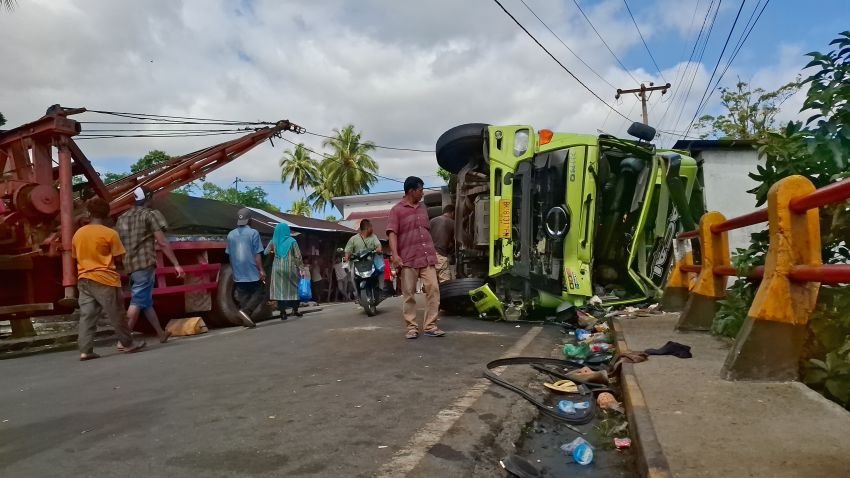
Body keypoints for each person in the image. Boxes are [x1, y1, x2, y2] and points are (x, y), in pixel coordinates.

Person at [72, 198, 146, 361]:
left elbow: (75, 256)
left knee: (87, 315)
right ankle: (128, 344)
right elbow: (119, 258)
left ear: (89, 214)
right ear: (106, 215)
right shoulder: (110, 233)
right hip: (105, 279)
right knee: (116, 314)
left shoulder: (78, 233)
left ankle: (85, 351)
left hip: (84, 279)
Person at [115, 186, 184, 345]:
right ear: (148, 198)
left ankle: (160, 333)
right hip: (144, 264)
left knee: (145, 301)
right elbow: (162, 242)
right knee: (138, 301)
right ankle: (123, 341)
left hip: (130, 264)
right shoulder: (149, 215)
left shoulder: (122, 218)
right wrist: (176, 264)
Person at [387, 176, 445, 339]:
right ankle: (411, 327)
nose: (423, 193)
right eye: (420, 190)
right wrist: (395, 255)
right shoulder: (397, 210)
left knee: (433, 289)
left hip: (427, 257)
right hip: (408, 259)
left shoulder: (422, 208)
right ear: (411, 191)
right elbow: (392, 233)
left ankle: (430, 326)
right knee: (409, 294)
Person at [225, 208, 266, 328]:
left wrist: (234, 269)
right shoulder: (253, 233)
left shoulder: (231, 234)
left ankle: (246, 319)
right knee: (260, 291)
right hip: (251, 270)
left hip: (238, 270)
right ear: (250, 220)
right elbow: (257, 254)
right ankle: (246, 312)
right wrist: (261, 270)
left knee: (244, 294)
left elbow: (230, 254)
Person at [265, 223, 303, 319]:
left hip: (277, 268)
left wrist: (272, 250)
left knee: (280, 290)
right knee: (294, 289)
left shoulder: (274, 241)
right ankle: (295, 310)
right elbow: (298, 256)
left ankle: (283, 313)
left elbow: (265, 252)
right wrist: (301, 269)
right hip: (290, 268)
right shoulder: (292, 241)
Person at [430, 204, 455, 283]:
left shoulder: (432, 221)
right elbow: (455, 241)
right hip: (441, 254)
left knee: (432, 283)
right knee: (445, 283)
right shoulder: (451, 222)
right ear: (452, 213)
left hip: (429, 255)